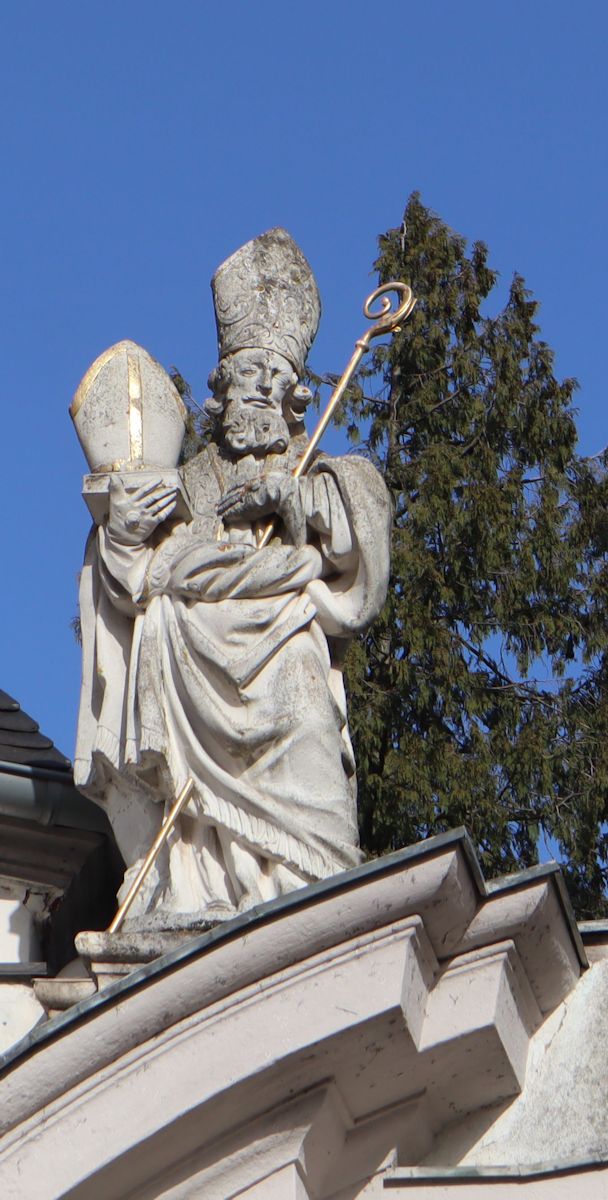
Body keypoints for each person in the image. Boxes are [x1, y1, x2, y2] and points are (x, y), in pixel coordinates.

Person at [77, 229, 391, 927]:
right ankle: (192, 884)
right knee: (161, 620)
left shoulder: (321, 473)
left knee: (309, 722)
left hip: (286, 647)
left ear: (296, 400)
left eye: (276, 384)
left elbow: (360, 539)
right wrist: (125, 533)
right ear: (221, 391)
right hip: (190, 663)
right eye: (249, 378)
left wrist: (286, 499)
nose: (262, 394)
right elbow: (130, 581)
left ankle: (312, 890)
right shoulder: (184, 482)